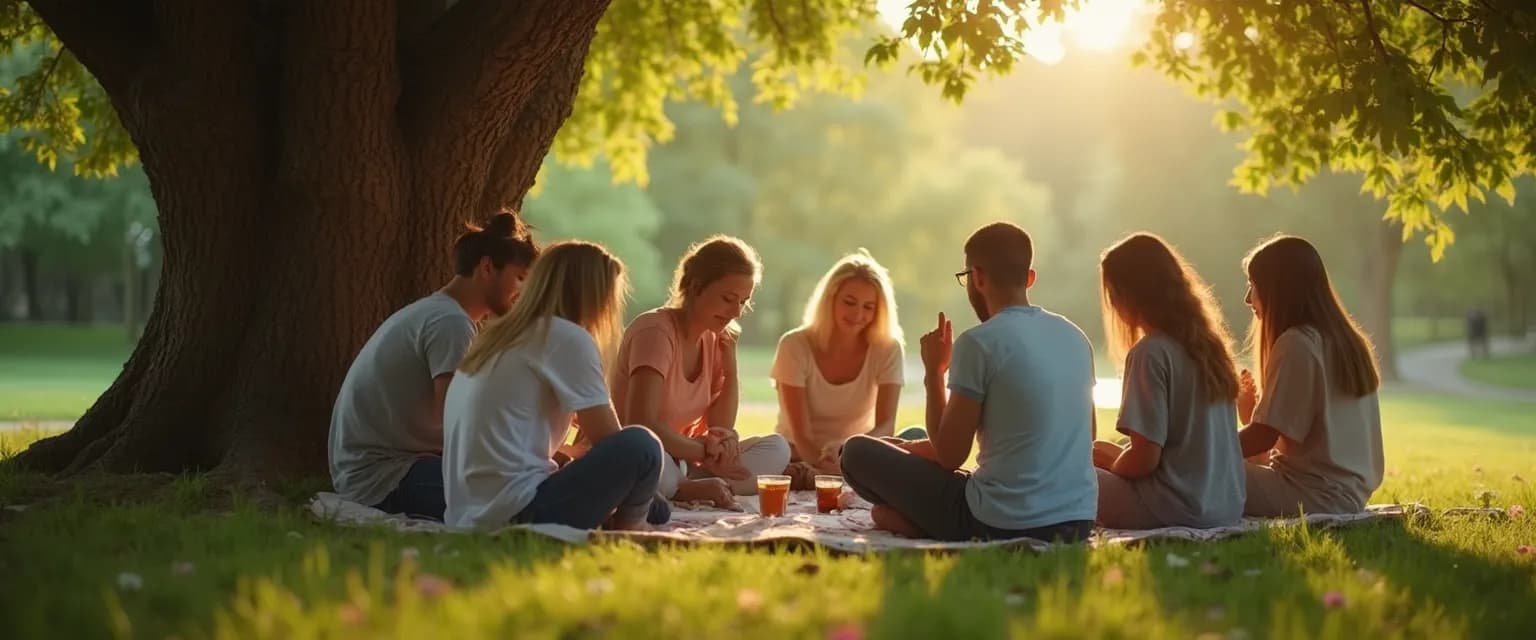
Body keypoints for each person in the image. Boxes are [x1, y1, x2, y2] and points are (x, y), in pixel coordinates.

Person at [839, 222, 1098, 542]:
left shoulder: (979, 343)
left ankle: (928, 522)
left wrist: (934, 373)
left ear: (977, 277)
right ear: (1029, 278)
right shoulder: (1075, 337)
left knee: (855, 453)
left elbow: (950, 456)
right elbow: (1090, 436)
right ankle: (916, 519)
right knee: (914, 445)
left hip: (1001, 522)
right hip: (1077, 521)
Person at [443, 241, 665, 532]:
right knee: (644, 448)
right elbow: (609, 438)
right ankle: (629, 530)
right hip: (519, 510)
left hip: (467, 513)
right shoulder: (564, 336)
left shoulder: (497, 336)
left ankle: (633, 515)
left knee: (657, 503)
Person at [328, 212, 536, 521]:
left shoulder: (441, 314)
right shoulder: (450, 322)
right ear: (487, 267)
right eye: (520, 278)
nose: (523, 292)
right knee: (519, 499)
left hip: (379, 470)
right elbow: (455, 420)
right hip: (384, 478)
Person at [612, 235, 791, 507]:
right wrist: (705, 450)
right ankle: (686, 487)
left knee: (777, 448)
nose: (737, 312)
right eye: (729, 299)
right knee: (653, 465)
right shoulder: (656, 331)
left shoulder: (713, 338)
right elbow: (641, 422)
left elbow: (721, 426)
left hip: (685, 458)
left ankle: (694, 483)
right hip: (639, 451)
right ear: (696, 287)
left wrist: (729, 364)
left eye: (743, 301)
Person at [1090, 234, 1245, 529]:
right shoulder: (1211, 348)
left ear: (1127, 294)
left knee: (1075, 472)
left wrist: (1111, 463)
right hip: (1226, 507)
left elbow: (1145, 459)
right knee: (1110, 446)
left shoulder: (1151, 352)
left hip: (1175, 509)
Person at [1237, 235, 1384, 517]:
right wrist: (1251, 417)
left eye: (1252, 286)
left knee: (1193, 476)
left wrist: (1200, 449)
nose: (1247, 299)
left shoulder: (1297, 343)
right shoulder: (1345, 341)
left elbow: (1263, 438)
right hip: (1346, 495)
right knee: (1198, 468)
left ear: (1277, 289)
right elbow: (1290, 438)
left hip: (1311, 496)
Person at [771, 251, 911, 489]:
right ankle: (822, 477)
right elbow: (802, 434)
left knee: (914, 436)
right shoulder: (794, 345)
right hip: (796, 455)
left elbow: (886, 425)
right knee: (773, 453)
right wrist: (824, 465)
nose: (858, 315)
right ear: (830, 299)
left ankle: (831, 477)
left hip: (855, 455)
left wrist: (847, 452)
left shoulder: (888, 348)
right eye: (849, 302)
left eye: (869, 307)